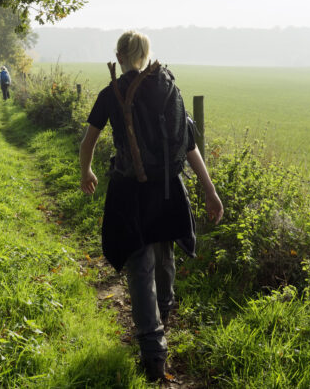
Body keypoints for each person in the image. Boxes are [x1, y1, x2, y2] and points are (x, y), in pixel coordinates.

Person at [79, 31, 224, 382]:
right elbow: (190, 148)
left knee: (139, 265)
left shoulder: (111, 93)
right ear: (147, 54)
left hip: (130, 192)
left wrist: (86, 170)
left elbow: (88, 141)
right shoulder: (168, 87)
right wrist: (210, 191)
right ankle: (163, 318)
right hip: (168, 190)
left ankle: (153, 351)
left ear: (120, 55)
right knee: (164, 257)